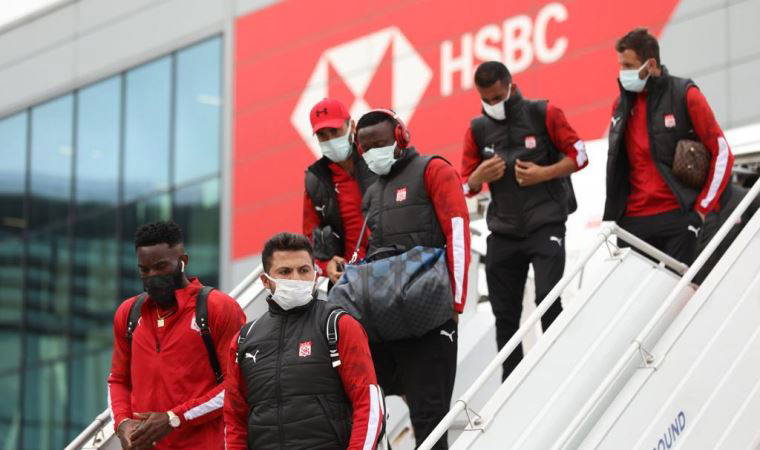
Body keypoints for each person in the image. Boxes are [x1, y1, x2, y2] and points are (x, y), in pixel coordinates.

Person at [460, 61, 588, 381]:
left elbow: (580, 155)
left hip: (546, 222)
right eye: (486, 100)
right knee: (505, 316)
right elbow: (463, 186)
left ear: (511, 87)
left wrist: (544, 173)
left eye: (497, 97)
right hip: (503, 231)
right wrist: (477, 176)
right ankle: (512, 382)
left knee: (547, 298)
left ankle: (559, 372)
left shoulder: (543, 113)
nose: (493, 104)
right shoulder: (477, 130)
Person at [356, 109, 471, 449]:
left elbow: (458, 234)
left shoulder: (433, 170)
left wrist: (456, 305)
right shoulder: (372, 193)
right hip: (384, 319)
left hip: (430, 316)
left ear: (400, 137)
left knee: (429, 419)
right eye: (366, 147)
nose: (372, 152)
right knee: (365, 409)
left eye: (379, 143)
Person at [223, 232, 384, 449]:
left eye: (304, 270)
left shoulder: (338, 325)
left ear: (316, 276)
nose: (296, 279)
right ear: (265, 280)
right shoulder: (245, 338)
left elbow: (369, 403)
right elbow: (234, 420)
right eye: (285, 272)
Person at [108, 221, 246, 449]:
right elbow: (118, 380)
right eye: (144, 270)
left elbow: (235, 386)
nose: (152, 276)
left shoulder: (218, 308)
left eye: (161, 267)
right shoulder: (128, 313)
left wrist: (175, 418)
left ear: (183, 261)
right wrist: (122, 423)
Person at [604, 28, 734, 264]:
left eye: (629, 66)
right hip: (632, 221)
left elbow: (722, 153)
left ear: (651, 64)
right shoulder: (620, 106)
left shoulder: (685, 94)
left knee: (680, 288)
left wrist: (702, 208)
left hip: (677, 216)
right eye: (621, 66)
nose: (623, 73)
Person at [303, 98, 376, 285]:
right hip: (348, 283)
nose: (330, 140)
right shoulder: (316, 180)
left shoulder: (378, 159)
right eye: (322, 135)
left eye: (335, 131)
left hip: (392, 270)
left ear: (352, 126)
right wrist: (326, 265)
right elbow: (309, 240)